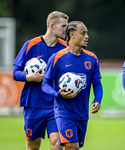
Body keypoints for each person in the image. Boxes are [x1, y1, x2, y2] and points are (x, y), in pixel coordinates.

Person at [41, 21, 103, 150]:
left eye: (87, 33)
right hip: (64, 112)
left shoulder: (92, 58)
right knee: (72, 147)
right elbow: (45, 84)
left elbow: (97, 84)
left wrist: (97, 100)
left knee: (73, 147)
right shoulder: (57, 57)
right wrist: (58, 94)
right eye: (83, 33)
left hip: (82, 114)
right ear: (72, 35)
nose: (87, 36)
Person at [12, 11, 69, 150]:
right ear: (52, 25)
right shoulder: (30, 45)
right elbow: (15, 73)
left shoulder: (65, 49)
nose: (66, 30)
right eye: (63, 26)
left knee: (57, 144)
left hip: (55, 104)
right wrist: (29, 77)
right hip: (33, 103)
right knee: (33, 147)